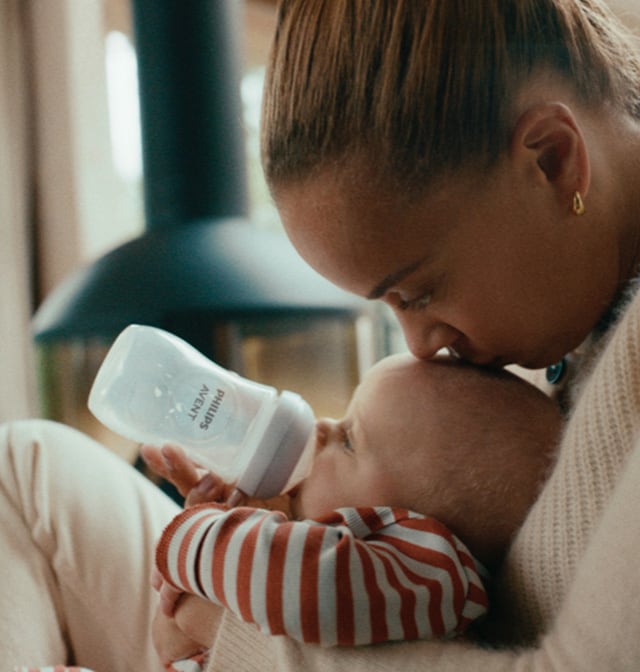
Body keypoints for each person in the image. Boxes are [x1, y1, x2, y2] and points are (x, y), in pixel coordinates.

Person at [5, 0, 640, 670]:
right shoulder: (571, 301)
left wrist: (232, 628)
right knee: (26, 470)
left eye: (419, 291)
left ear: (553, 159)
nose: (421, 346)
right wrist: (292, 512)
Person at [7, 353, 558, 671]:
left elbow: (303, 584)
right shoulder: (393, 575)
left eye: (349, 439)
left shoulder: (435, 570)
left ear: (423, 514)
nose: (320, 429)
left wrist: (195, 536)